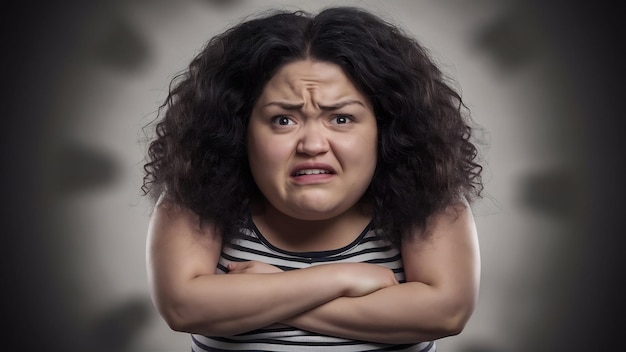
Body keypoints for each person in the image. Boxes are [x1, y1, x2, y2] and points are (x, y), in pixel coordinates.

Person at [142, 6, 483, 352]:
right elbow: (182, 307)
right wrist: (343, 278)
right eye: (283, 120)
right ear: (239, 129)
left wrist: (271, 291)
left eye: (341, 119)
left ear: (385, 127)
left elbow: (446, 313)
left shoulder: (429, 191)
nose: (313, 145)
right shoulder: (194, 189)